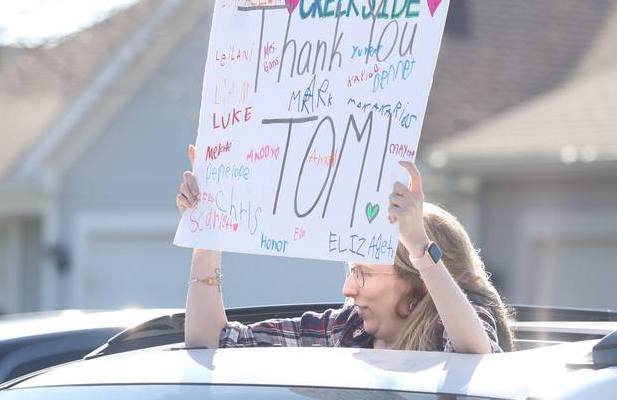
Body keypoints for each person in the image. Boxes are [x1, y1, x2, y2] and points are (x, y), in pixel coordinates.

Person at [176, 144, 514, 354]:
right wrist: (207, 236)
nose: (347, 289)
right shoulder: (347, 329)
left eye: (362, 274)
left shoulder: (458, 321)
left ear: (419, 283)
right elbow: (213, 344)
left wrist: (418, 246)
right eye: (351, 271)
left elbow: (476, 355)